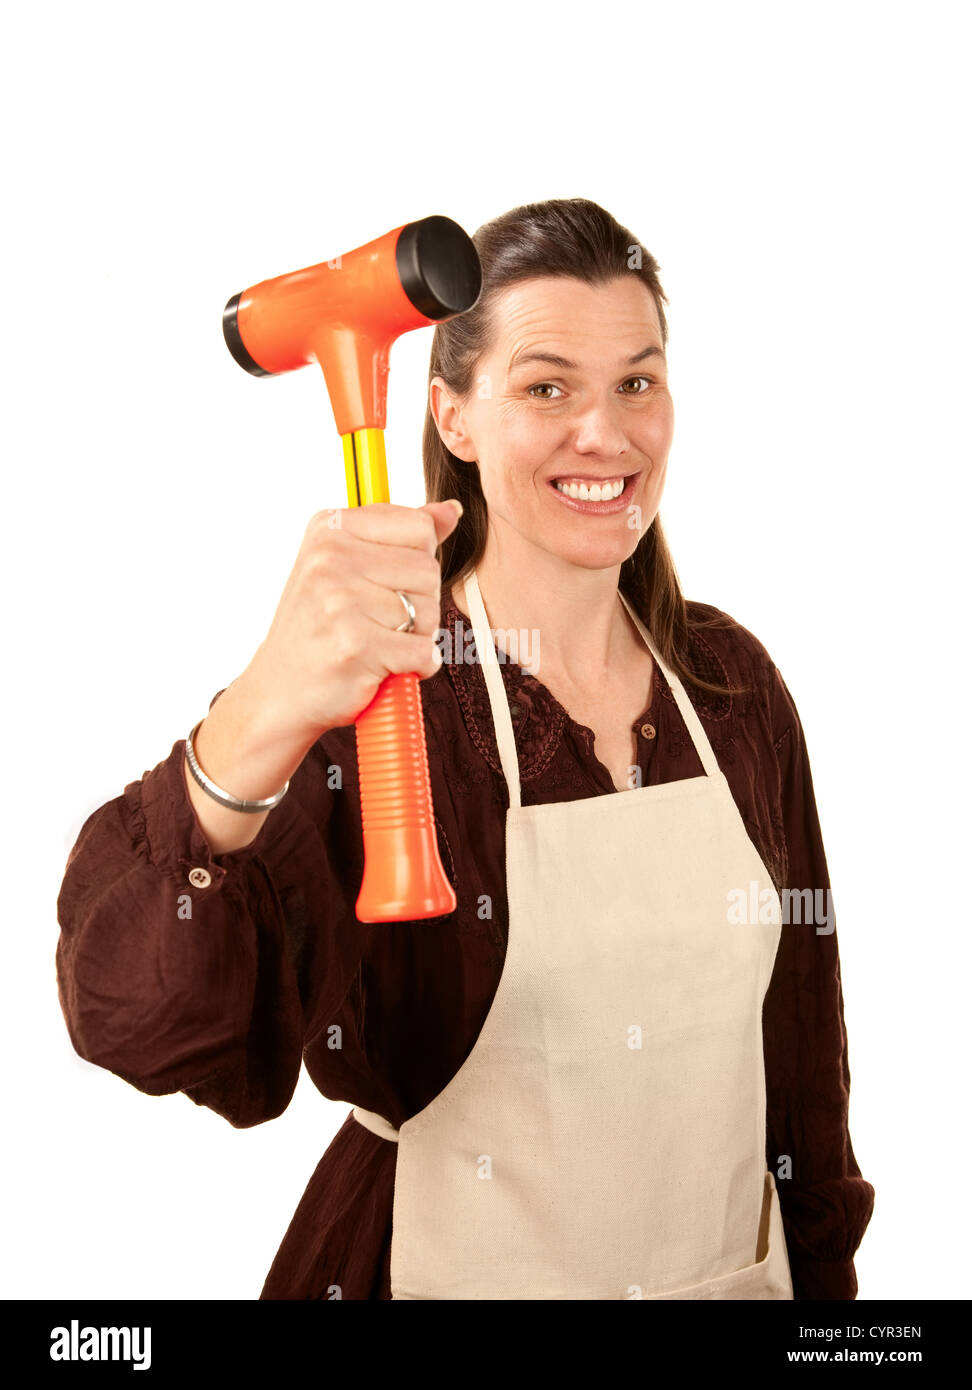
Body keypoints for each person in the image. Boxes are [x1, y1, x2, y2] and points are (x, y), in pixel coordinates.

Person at [55, 197, 874, 1300]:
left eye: (637, 381)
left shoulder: (730, 688)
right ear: (452, 418)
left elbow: (804, 1073)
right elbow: (145, 1022)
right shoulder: (384, 701)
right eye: (547, 387)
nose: (607, 433)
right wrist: (263, 709)